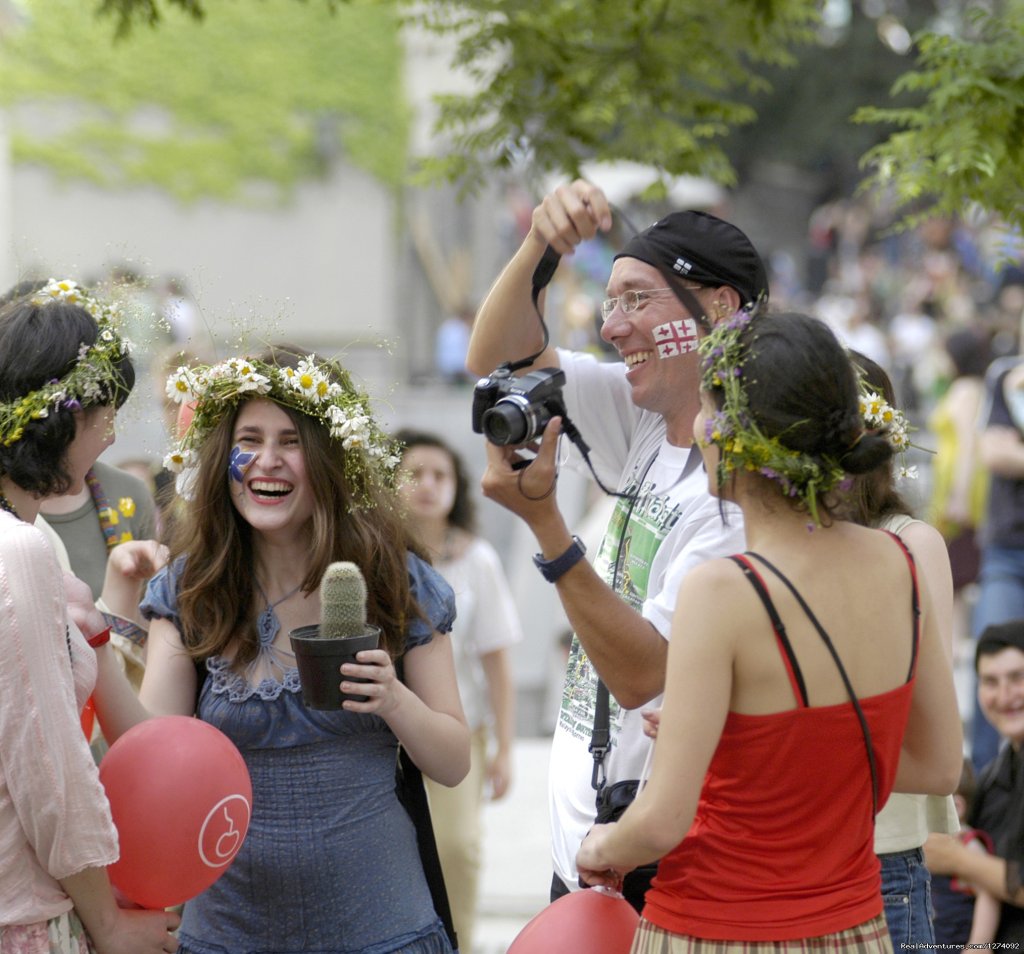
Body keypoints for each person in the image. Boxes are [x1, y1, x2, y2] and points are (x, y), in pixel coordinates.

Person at [574, 308, 963, 951]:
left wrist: (604, 844)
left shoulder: (721, 591)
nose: (696, 428)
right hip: (855, 929)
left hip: (716, 930)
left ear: (732, 434)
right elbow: (939, 764)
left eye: (704, 405)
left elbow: (662, 823)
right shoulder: (900, 563)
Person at [90, 347, 471, 954]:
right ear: (224, 458)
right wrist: (102, 637)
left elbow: (453, 762)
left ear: (328, 457)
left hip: (383, 931)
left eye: (290, 440)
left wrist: (394, 700)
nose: (267, 461)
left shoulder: (395, 582)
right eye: (250, 438)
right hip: (226, 934)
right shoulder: (192, 592)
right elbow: (152, 753)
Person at [468, 179, 765, 909]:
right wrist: (544, 241)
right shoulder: (643, 415)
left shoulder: (737, 492)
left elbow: (645, 676)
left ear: (717, 310)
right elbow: (495, 357)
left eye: (638, 299)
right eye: (611, 302)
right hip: (586, 853)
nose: (613, 326)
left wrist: (547, 529)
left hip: (653, 864)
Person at [0, 279, 181, 953]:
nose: (111, 431)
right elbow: (47, 766)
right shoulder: (18, 549)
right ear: (59, 414)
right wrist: (106, 921)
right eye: (103, 409)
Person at [844, 352, 961, 951]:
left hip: (881, 852)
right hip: (796, 848)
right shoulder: (778, 537)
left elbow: (932, 720)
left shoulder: (911, 543)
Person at [395, 428, 522, 954]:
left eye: (440, 475)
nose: (427, 485)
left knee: (457, 848)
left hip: (457, 731)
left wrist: (505, 749)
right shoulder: (369, 556)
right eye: (414, 473)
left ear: (457, 487)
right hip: (383, 732)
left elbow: (497, 662)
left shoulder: (479, 561)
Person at [925, 620, 1024, 944]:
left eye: (1017, 677)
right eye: (990, 682)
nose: (1005, 695)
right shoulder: (992, 777)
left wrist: (957, 859)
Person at [971, 356, 1024, 770]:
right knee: (995, 664)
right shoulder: (1007, 373)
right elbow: (995, 453)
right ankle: (989, 791)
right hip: (1009, 550)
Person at [930, 759, 1001, 949]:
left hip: (956, 943)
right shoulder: (930, 844)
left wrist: (979, 943)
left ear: (957, 807)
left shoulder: (967, 845)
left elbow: (988, 892)